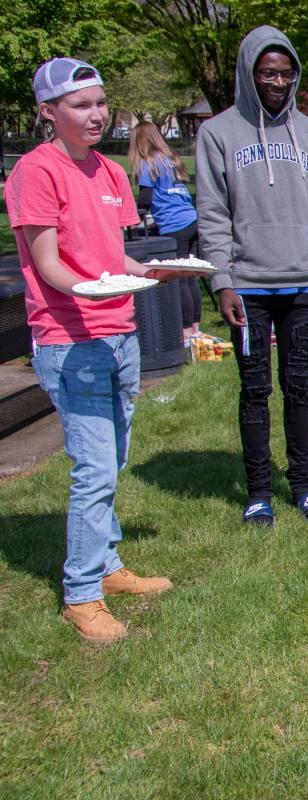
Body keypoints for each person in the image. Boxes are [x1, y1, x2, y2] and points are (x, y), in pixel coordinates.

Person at [6, 58, 191, 643]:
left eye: (100, 102)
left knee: (113, 459)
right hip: (70, 338)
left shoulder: (111, 172)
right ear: (48, 112)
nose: (96, 114)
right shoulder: (35, 172)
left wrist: (156, 270)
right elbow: (48, 265)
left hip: (120, 332)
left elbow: (117, 258)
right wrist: (91, 288)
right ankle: (81, 593)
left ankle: (108, 569)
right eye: (81, 105)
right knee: (94, 470)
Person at [195, 26, 308, 527]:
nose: (277, 81)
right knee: (255, 388)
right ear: (248, 73)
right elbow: (213, 214)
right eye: (267, 72)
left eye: (285, 73)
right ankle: (258, 490)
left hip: (303, 284)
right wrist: (222, 282)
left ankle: (302, 485)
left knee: (299, 386)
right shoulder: (217, 133)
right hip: (249, 288)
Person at [128, 121, 202, 343]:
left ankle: (185, 332)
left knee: (178, 278)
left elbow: (145, 199)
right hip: (192, 220)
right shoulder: (171, 160)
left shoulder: (147, 164)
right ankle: (196, 328)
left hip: (174, 226)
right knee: (190, 276)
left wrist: (132, 219)